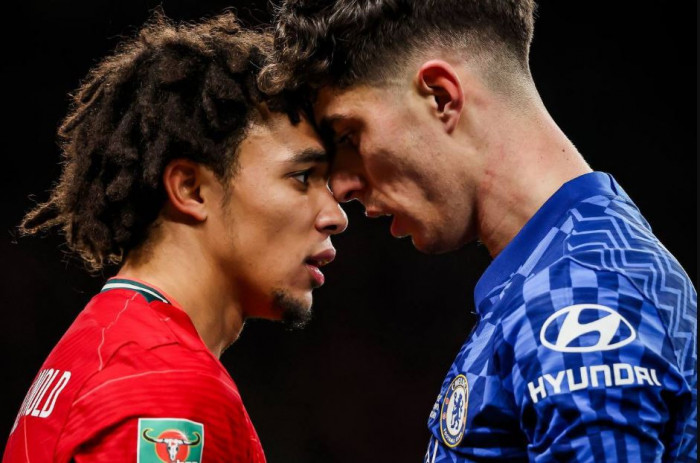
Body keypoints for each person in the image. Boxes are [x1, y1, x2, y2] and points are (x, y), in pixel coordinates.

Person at [260, 1, 697, 461]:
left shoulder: (579, 294)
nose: (342, 186)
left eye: (349, 135)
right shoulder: (555, 276)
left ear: (440, 97)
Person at [3, 11, 346, 463]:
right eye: (302, 177)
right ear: (191, 189)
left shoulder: (105, 345)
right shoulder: (164, 388)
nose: (336, 216)